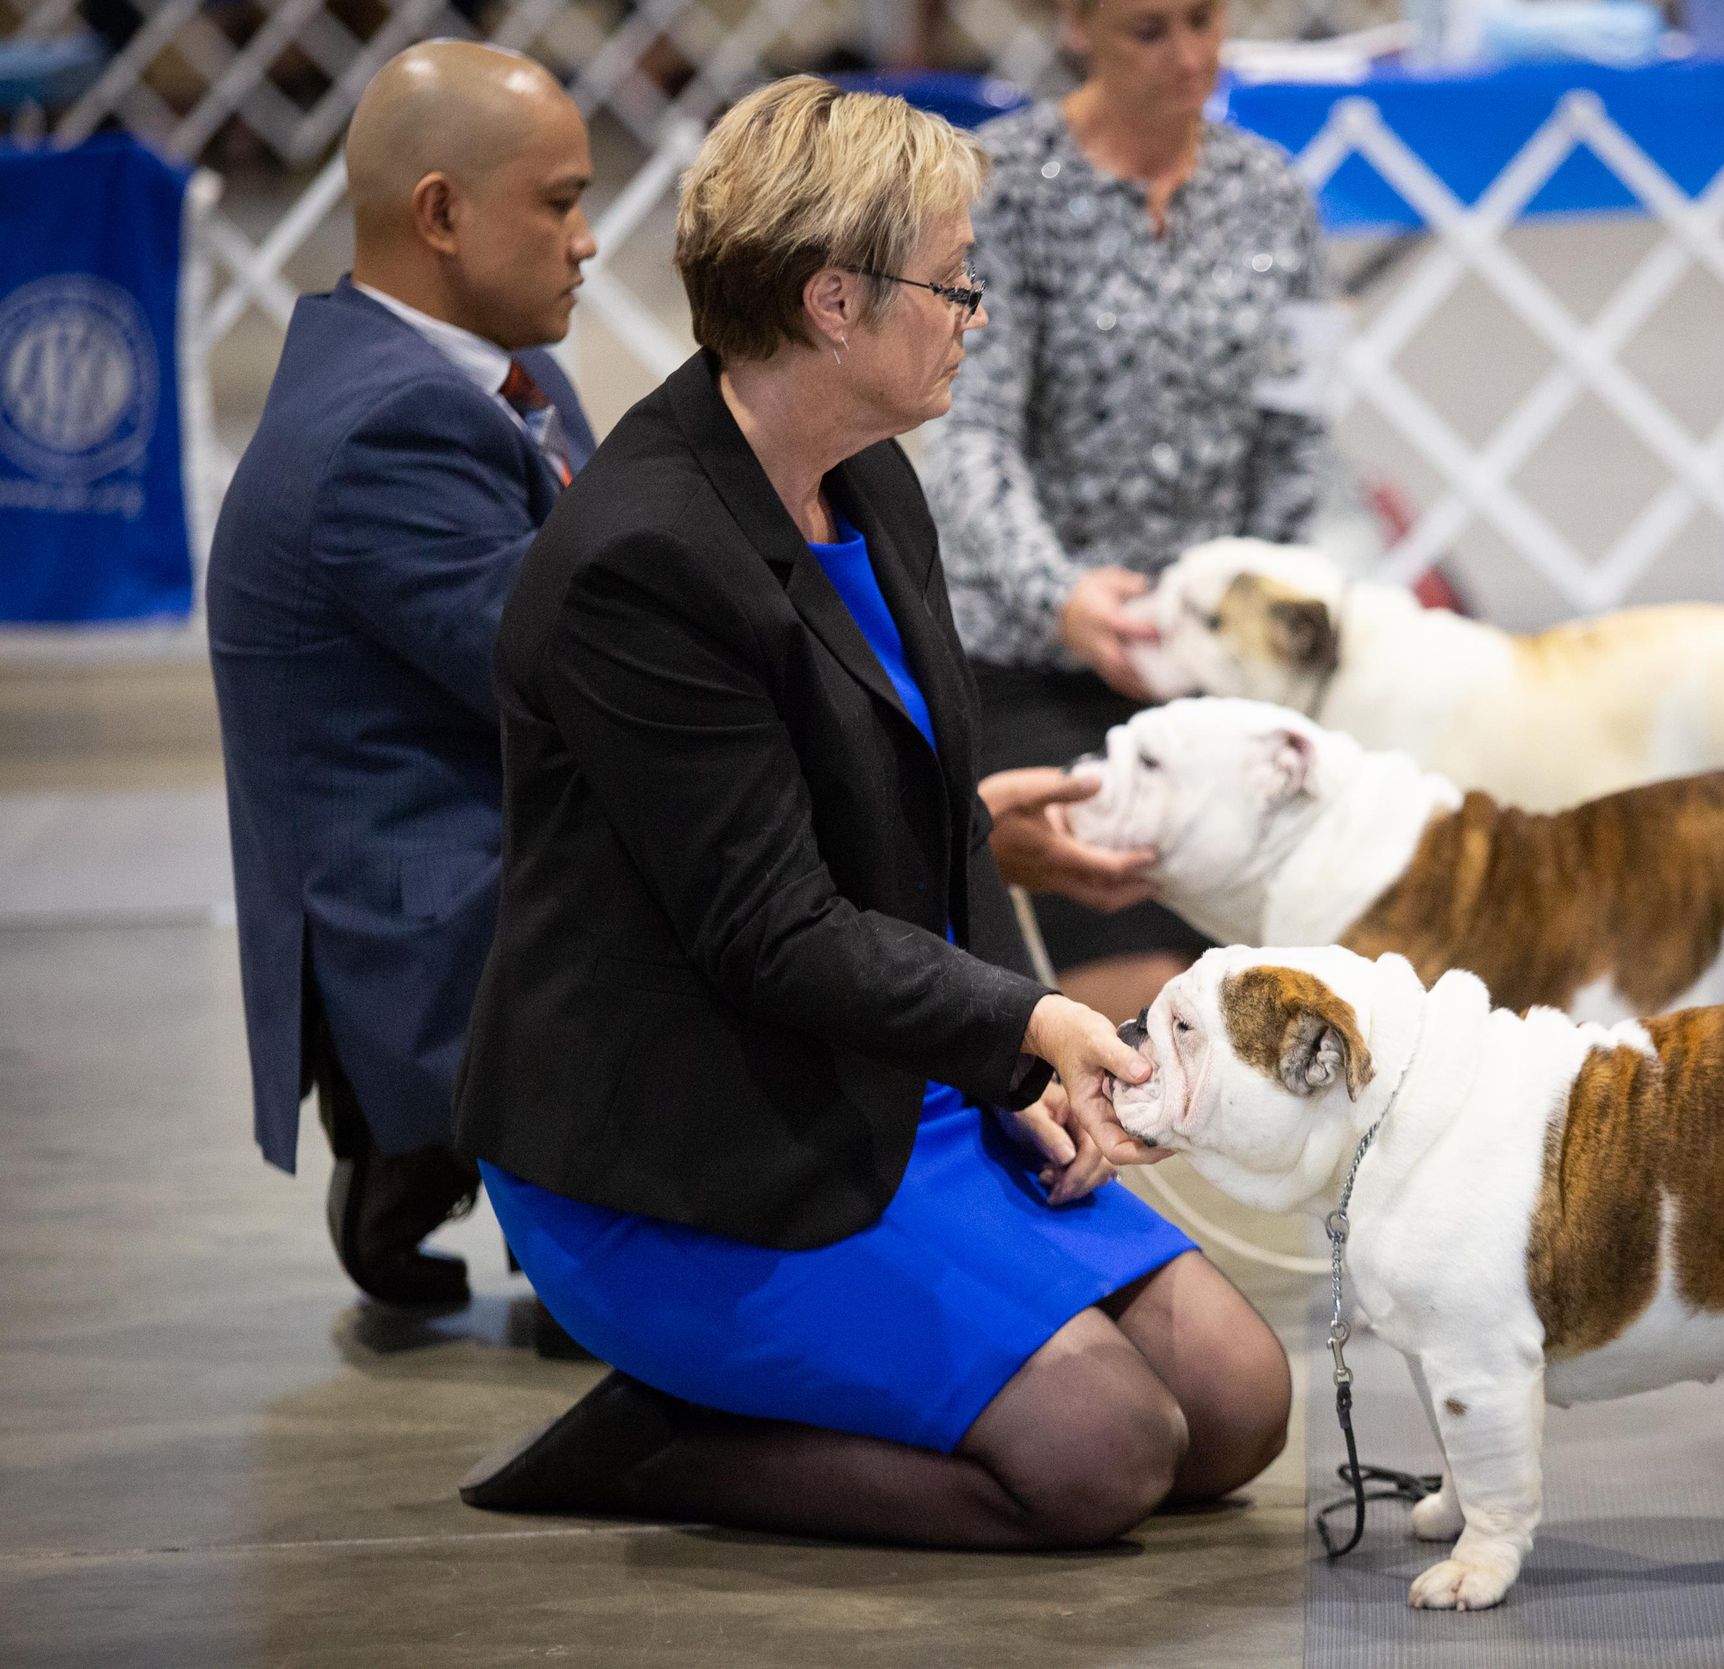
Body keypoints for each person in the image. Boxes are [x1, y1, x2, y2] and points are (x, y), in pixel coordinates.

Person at [453, 80, 1291, 1548]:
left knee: (1234, 1410)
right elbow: (767, 929)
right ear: (834, 302)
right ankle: (660, 1447)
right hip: (686, 1146)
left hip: (875, 1075)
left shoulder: (871, 482)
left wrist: (1000, 1012)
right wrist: (1023, 1028)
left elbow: (851, 820)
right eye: (955, 280)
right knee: (1103, 1454)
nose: (975, 308)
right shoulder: (640, 562)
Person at [206, 42, 597, 1309]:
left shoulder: (471, 373)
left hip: (461, 858)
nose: (589, 240)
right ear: (441, 213)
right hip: (436, 928)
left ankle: (422, 1160)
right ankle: (555, 1213)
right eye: (558, 202)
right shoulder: (398, 424)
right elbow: (582, 679)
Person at [923, 0, 1335, 1022]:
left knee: (1274, 1005)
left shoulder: (1275, 195)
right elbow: (967, 434)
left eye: (1203, 21)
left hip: (1219, 673)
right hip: (1030, 661)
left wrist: (1261, 619)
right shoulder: (1000, 187)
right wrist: (1060, 595)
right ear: (1075, 26)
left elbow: (1300, 429)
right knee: (1142, 1014)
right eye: (1149, 30)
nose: (1189, 56)